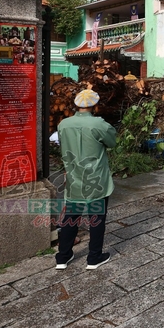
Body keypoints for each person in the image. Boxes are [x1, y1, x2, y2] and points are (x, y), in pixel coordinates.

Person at [55, 89, 116, 270]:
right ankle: (94, 257)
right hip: (95, 178)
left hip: (73, 176)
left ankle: (63, 257)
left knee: (71, 216)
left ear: (76, 105)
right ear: (94, 106)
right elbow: (112, 142)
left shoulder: (64, 124)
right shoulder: (99, 125)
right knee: (96, 217)